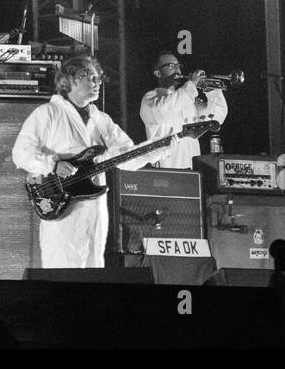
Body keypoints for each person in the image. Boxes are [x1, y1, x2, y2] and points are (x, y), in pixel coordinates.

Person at [13, 54, 181, 268]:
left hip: (95, 209)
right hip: (63, 207)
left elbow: (127, 157)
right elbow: (21, 152)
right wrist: (52, 163)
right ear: (72, 80)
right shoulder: (48, 113)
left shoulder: (102, 120)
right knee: (63, 273)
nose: (98, 83)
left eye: (98, 79)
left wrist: (159, 147)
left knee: (93, 275)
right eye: (91, 78)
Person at [139, 51, 227, 169]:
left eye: (178, 66)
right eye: (171, 66)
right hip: (166, 169)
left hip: (192, 169)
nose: (177, 69)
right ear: (158, 73)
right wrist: (191, 85)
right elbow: (166, 108)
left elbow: (217, 116)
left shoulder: (189, 99)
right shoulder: (151, 98)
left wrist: (212, 90)